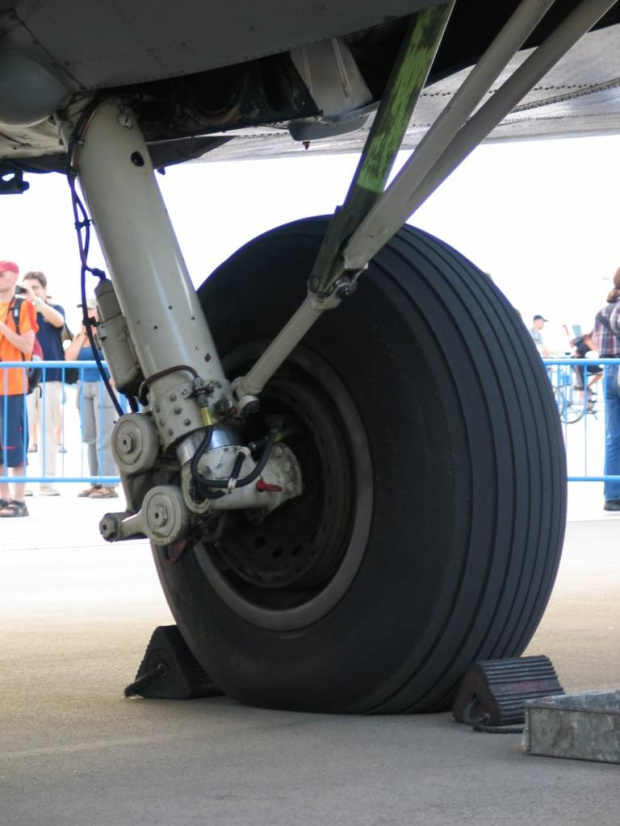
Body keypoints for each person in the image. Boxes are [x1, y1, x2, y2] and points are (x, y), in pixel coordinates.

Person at [64, 300, 119, 498]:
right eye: (83, 309)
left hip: (103, 385)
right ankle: (95, 482)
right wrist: (83, 335)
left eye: (90, 308)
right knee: (90, 436)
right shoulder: (81, 335)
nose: (86, 312)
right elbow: (69, 359)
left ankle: (108, 482)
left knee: (105, 435)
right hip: (83, 384)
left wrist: (113, 381)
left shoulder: (107, 333)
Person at [21, 271, 66, 496]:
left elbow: (60, 322)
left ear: (44, 288)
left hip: (51, 376)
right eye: (27, 287)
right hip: (25, 378)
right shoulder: (19, 312)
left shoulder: (53, 309)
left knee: (49, 430)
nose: (30, 291)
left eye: (35, 287)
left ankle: (47, 481)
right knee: (23, 431)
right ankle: (23, 481)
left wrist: (37, 301)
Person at [0, 260, 37, 517]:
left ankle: (19, 500)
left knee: (15, 442)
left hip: (12, 385)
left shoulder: (22, 307)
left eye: (1, 274)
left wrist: (2, 326)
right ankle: (3, 498)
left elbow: (27, 346)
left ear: (13, 277)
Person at [593, 267, 620, 512]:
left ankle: (612, 496)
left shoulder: (602, 311)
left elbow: (597, 343)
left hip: (610, 372)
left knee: (614, 437)